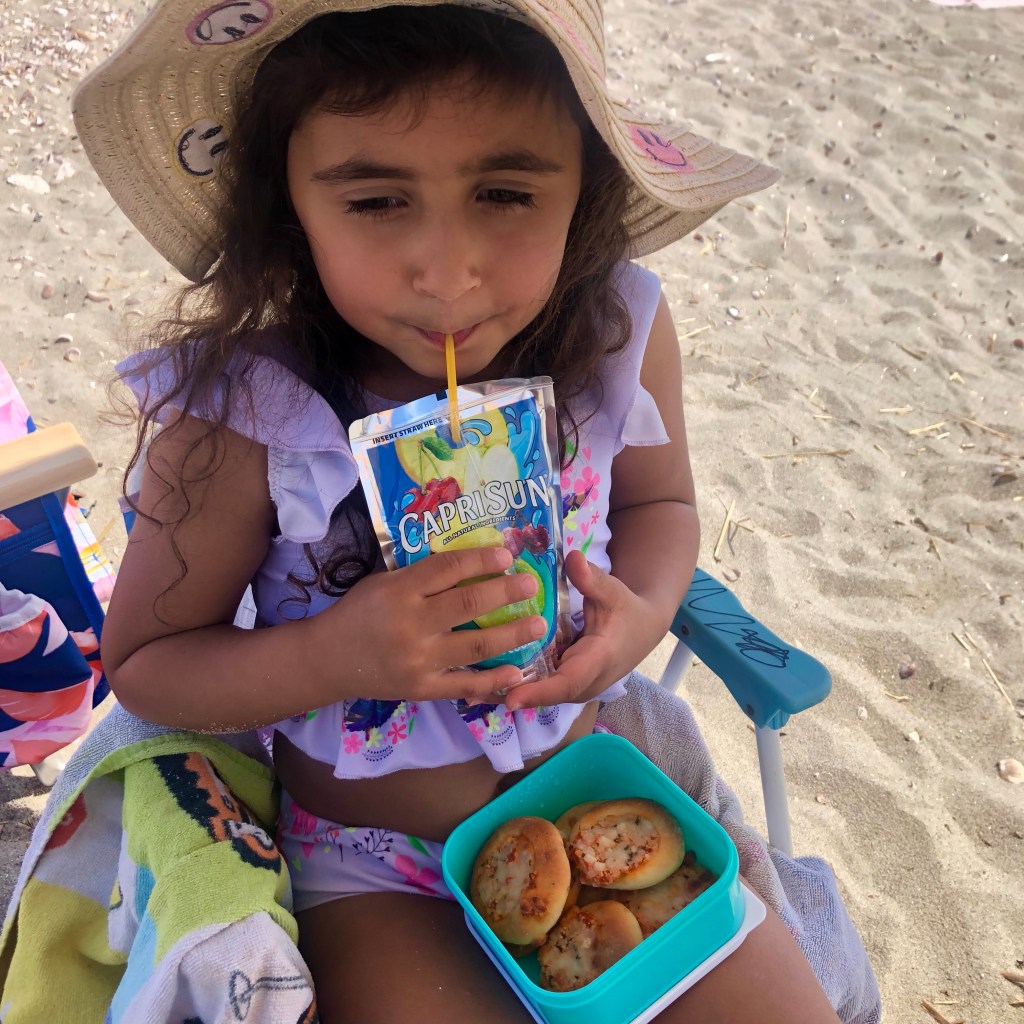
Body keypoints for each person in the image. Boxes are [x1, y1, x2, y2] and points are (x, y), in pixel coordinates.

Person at [79, 1, 846, 1020]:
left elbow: (661, 503)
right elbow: (145, 666)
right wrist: (332, 657)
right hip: (371, 864)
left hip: (591, 799)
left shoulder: (617, 333)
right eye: (375, 201)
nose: (446, 271)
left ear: (585, 188)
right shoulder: (246, 418)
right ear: (288, 206)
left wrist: (644, 614)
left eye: (505, 192)